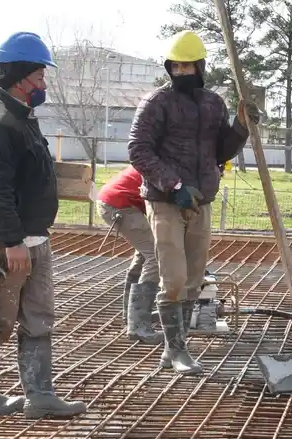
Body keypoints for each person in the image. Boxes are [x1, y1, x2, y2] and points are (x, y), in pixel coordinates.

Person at [0, 31, 85, 419]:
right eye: (39, 76)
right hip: (5, 242)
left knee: (38, 314)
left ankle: (40, 394)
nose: (44, 84)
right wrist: (12, 240)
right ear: (20, 78)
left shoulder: (20, 116)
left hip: (34, 237)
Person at [127, 30, 253, 375]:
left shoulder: (213, 103)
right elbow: (138, 150)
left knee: (194, 279)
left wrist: (241, 127)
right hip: (165, 201)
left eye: (187, 66)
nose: (181, 72)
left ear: (200, 67)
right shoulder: (156, 103)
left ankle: (174, 350)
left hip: (201, 201)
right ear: (169, 67)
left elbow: (220, 151)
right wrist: (174, 184)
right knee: (174, 278)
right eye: (176, 66)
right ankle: (177, 350)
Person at [97, 164, 159, 344]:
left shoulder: (164, 159)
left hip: (115, 201)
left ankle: (130, 316)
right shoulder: (172, 166)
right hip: (119, 205)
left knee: (145, 252)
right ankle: (138, 325)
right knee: (155, 256)